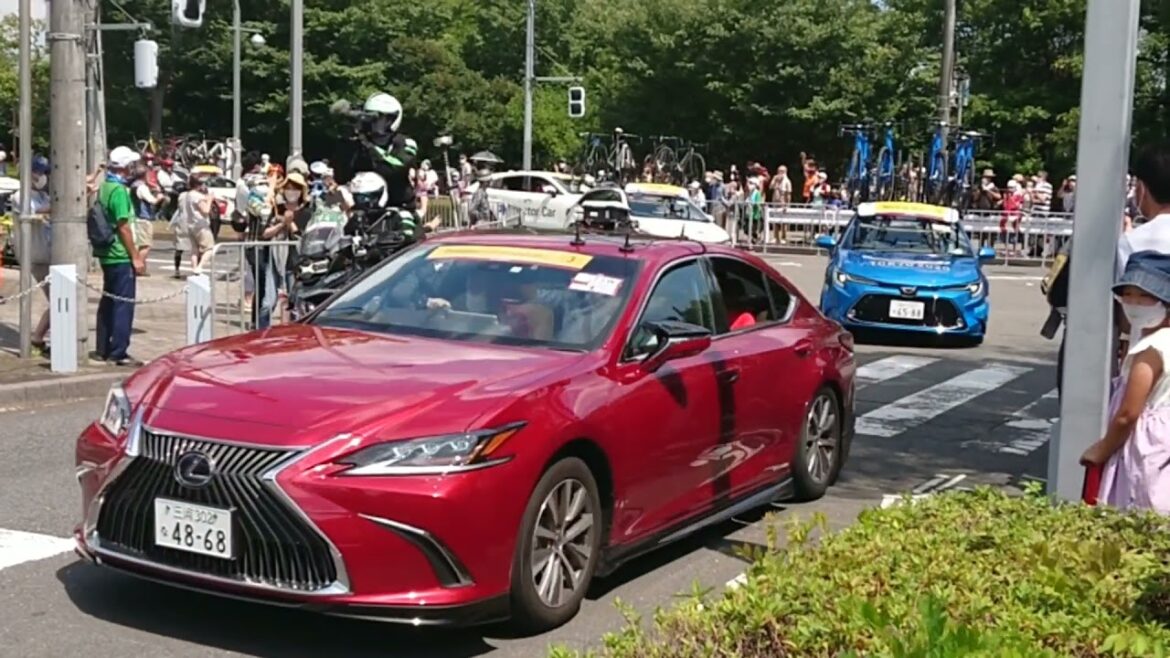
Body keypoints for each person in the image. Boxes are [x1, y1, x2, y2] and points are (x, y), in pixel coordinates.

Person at [1081, 250, 1170, 513]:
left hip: (1144, 447)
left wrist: (1101, 449)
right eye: (1128, 295)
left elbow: (1128, 414)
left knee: (1137, 504)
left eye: (1145, 296)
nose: (1134, 303)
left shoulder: (1152, 349)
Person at [94, 146, 146, 366]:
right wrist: (135, 255)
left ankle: (102, 348)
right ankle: (119, 351)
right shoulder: (119, 191)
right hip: (120, 254)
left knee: (108, 301)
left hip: (107, 254)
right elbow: (123, 226)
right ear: (126, 167)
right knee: (124, 304)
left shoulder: (104, 186)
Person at [11, 155, 53, 354]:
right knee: (59, 299)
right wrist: (58, 207)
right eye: (41, 172)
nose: (44, 177)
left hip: (49, 253)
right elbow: (33, 214)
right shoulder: (21, 195)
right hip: (35, 255)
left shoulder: (44, 196)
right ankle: (37, 337)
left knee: (62, 298)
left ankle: (38, 337)